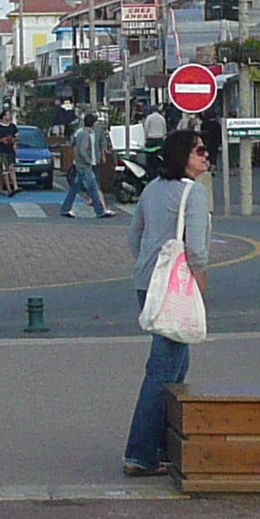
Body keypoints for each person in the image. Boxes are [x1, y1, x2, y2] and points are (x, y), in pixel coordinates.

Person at [119, 128, 213, 478]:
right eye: (199, 150)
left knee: (175, 366)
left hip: (148, 283)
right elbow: (197, 249)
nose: (206, 156)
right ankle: (140, 453)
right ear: (182, 157)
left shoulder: (152, 189)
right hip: (177, 286)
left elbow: (134, 235)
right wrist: (200, 283)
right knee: (162, 370)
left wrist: (150, 262)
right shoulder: (194, 192)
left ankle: (162, 445)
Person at [59, 112, 112, 220]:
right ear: (93, 123)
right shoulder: (86, 134)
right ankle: (100, 211)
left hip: (81, 165)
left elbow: (73, 143)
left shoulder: (82, 132)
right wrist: (88, 160)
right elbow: (83, 150)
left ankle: (65, 208)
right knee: (93, 187)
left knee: (74, 188)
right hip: (84, 165)